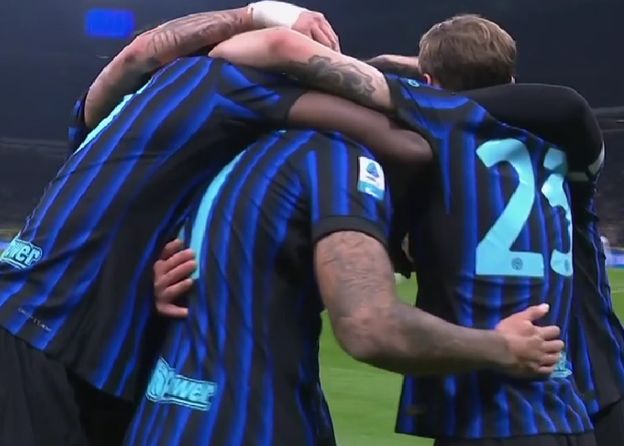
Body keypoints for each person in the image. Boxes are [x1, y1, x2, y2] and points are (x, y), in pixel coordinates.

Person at [0, 4, 425, 445]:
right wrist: (443, 109)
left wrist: (254, 13)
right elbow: (396, 138)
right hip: (49, 332)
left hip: (43, 326)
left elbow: (140, 53)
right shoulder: (222, 83)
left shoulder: (126, 111)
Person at [207, 21, 599, 445]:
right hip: (567, 414)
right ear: (512, 77)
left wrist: (261, 15)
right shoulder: (555, 146)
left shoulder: (440, 116)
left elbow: (268, 45)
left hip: (492, 419)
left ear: (429, 81)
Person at [124, 127, 563, 445]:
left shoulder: (233, 153)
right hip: (249, 424)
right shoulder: (338, 157)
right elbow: (371, 326)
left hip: (164, 415)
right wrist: (503, 347)